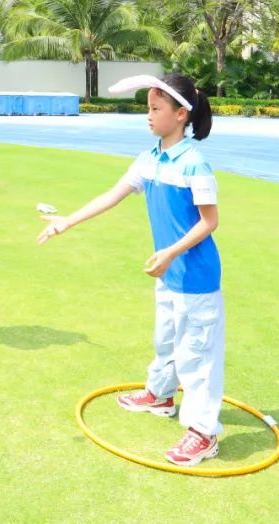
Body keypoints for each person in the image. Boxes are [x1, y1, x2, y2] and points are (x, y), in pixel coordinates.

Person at [38, 73, 224, 467]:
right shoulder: (150, 158)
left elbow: (209, 222)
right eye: (148, 108)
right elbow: (113, 195)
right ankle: (160, 395)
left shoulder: (194, 163)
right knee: (165, 339)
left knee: (197, 356)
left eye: (156, 109)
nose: (149, 115)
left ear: (181, 114)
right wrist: (67, 221)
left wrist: (170, 252)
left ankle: (203, 433)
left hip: (195, 276)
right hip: (168, 272)